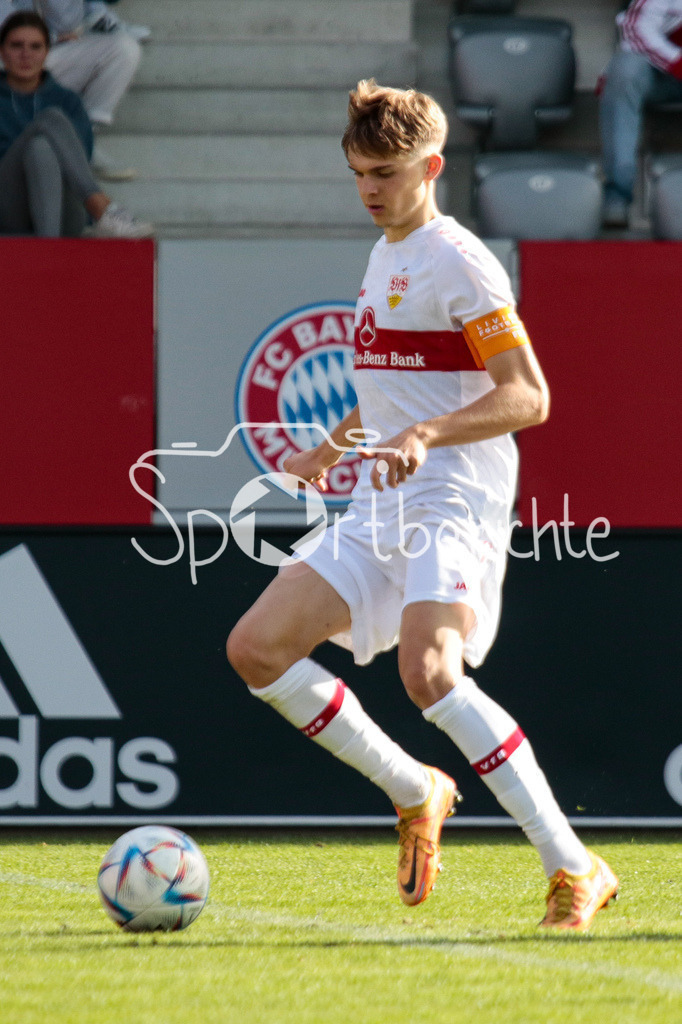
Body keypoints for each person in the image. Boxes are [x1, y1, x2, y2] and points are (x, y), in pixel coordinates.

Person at [227, 80, 619, 931]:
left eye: (387, 172)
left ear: (431, 166)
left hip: (455, 496)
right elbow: (393, 386)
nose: (370, 188)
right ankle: (415, 788)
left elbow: (530, 396)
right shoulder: (385, 252)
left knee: (431, 674)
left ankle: (572, 865)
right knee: (257, 650)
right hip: (382, 498)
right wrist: (328, 449)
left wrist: (428, 436)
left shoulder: (460, 259)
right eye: (359, 172)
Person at [0, 11, 151, 235]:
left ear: (47, 52)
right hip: (8, 209)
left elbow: (79, 162)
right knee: (48, 124)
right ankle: (102, 208)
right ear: (2, 52)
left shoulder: (68, 101)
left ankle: (47, 251)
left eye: (35, 47)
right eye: (16, 46)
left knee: (41, 147)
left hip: (65, 212)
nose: (26, 55)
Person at [0, 0, 142, 178]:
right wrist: (50, 38)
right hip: (8, 64)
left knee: (124, 49)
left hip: (44, 57)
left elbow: (66, 24)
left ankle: (81, 140)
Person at [600, 0, 682, 226]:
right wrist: (677, 62)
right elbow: (636, 30)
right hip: (662, 75)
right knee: (624, 71)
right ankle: (618, 193)